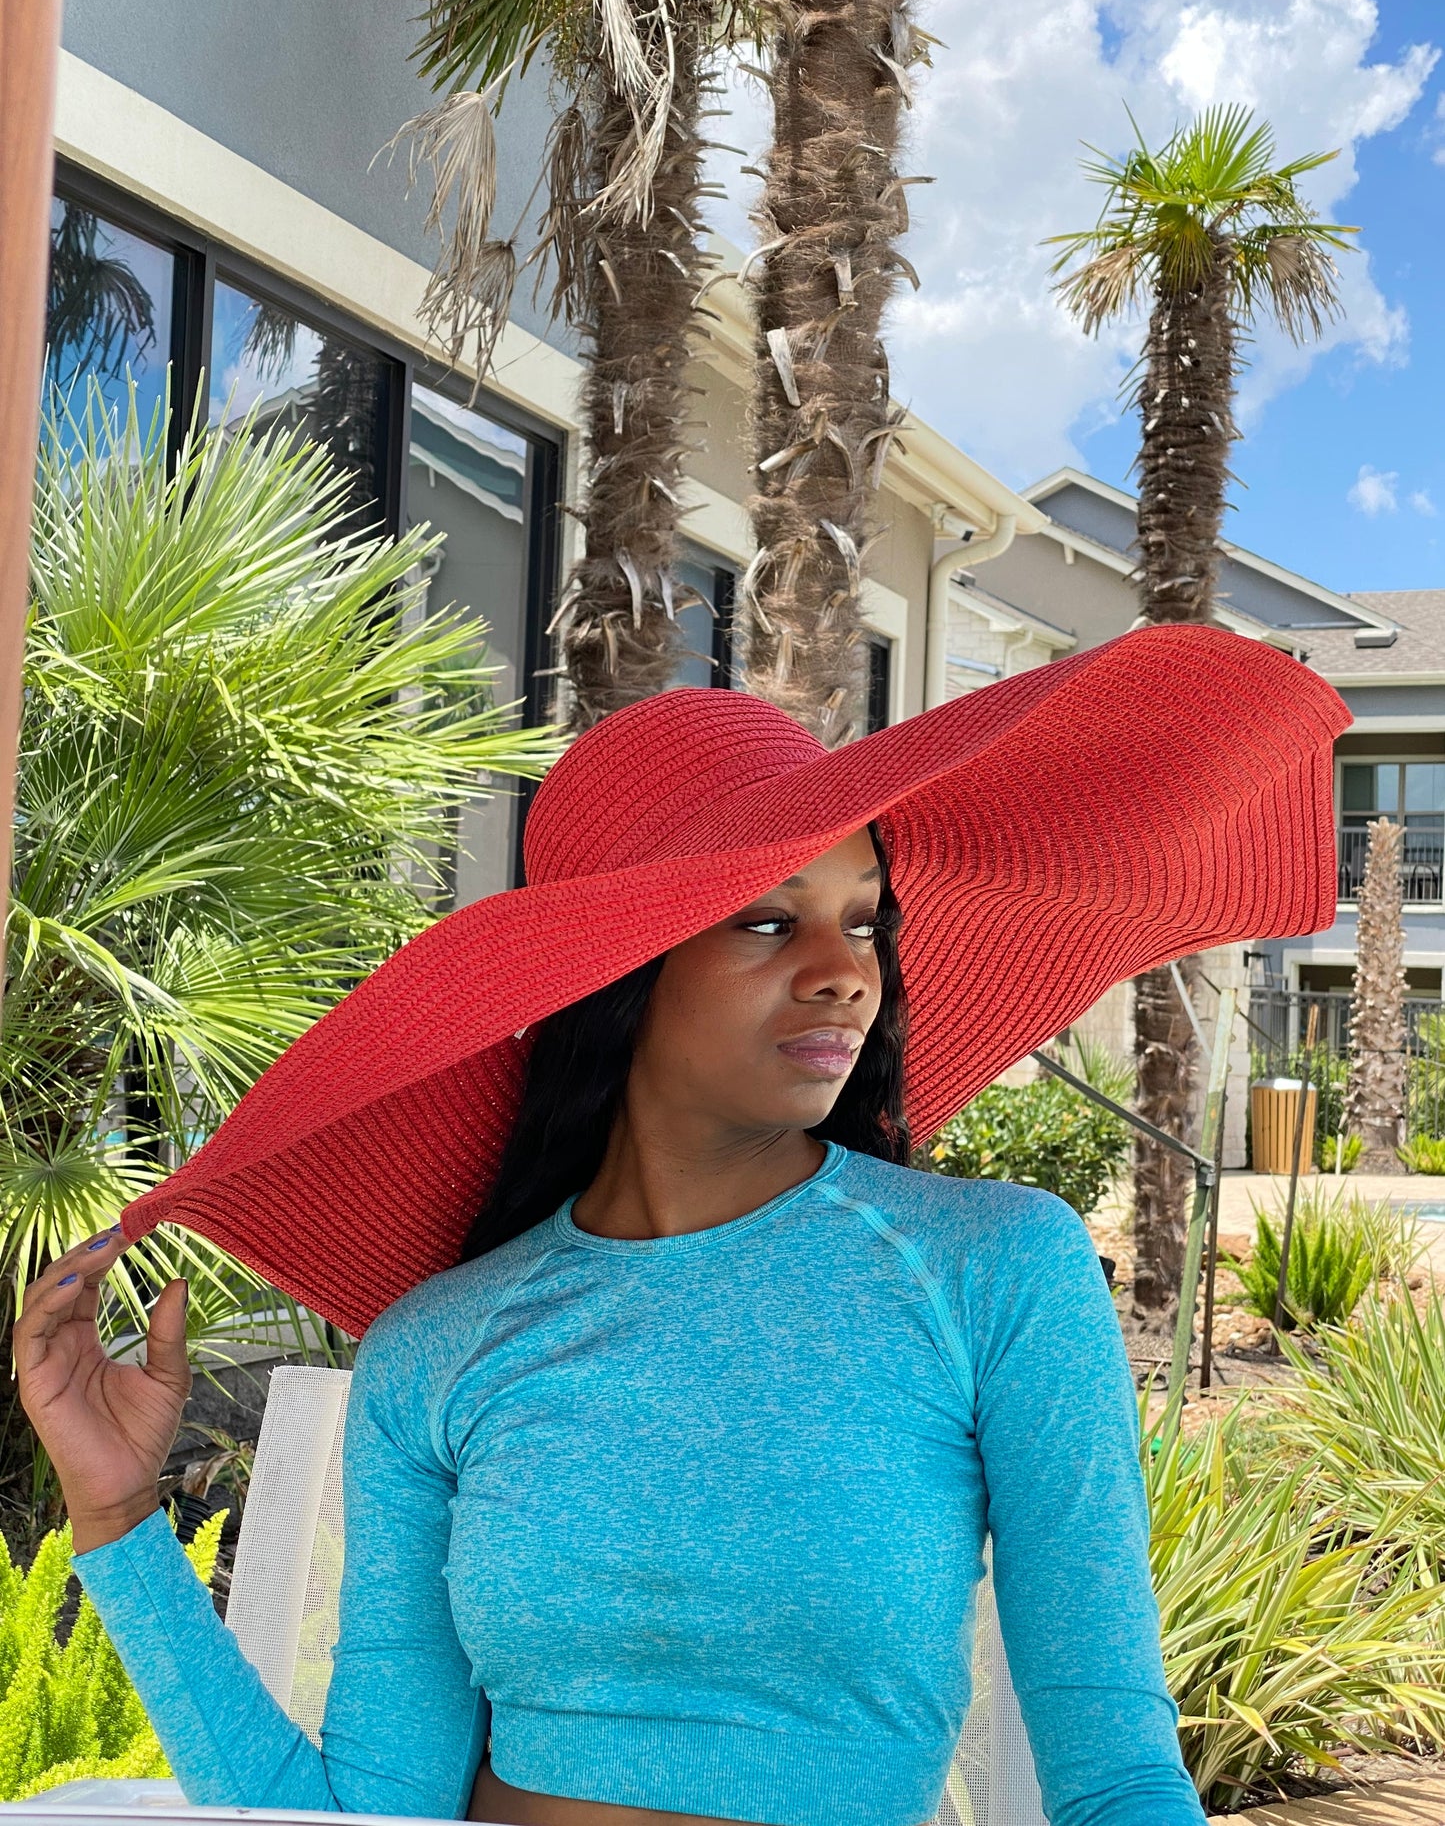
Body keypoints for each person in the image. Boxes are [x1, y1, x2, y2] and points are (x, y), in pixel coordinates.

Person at [17, 627, 1348, 1826]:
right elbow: (365, 1813)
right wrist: (120, 1509)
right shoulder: (439, 1346)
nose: (843, 971)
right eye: (766, 920)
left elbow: (1113, 1774)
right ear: (614, 975)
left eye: (861, 921)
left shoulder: (994, 1270)